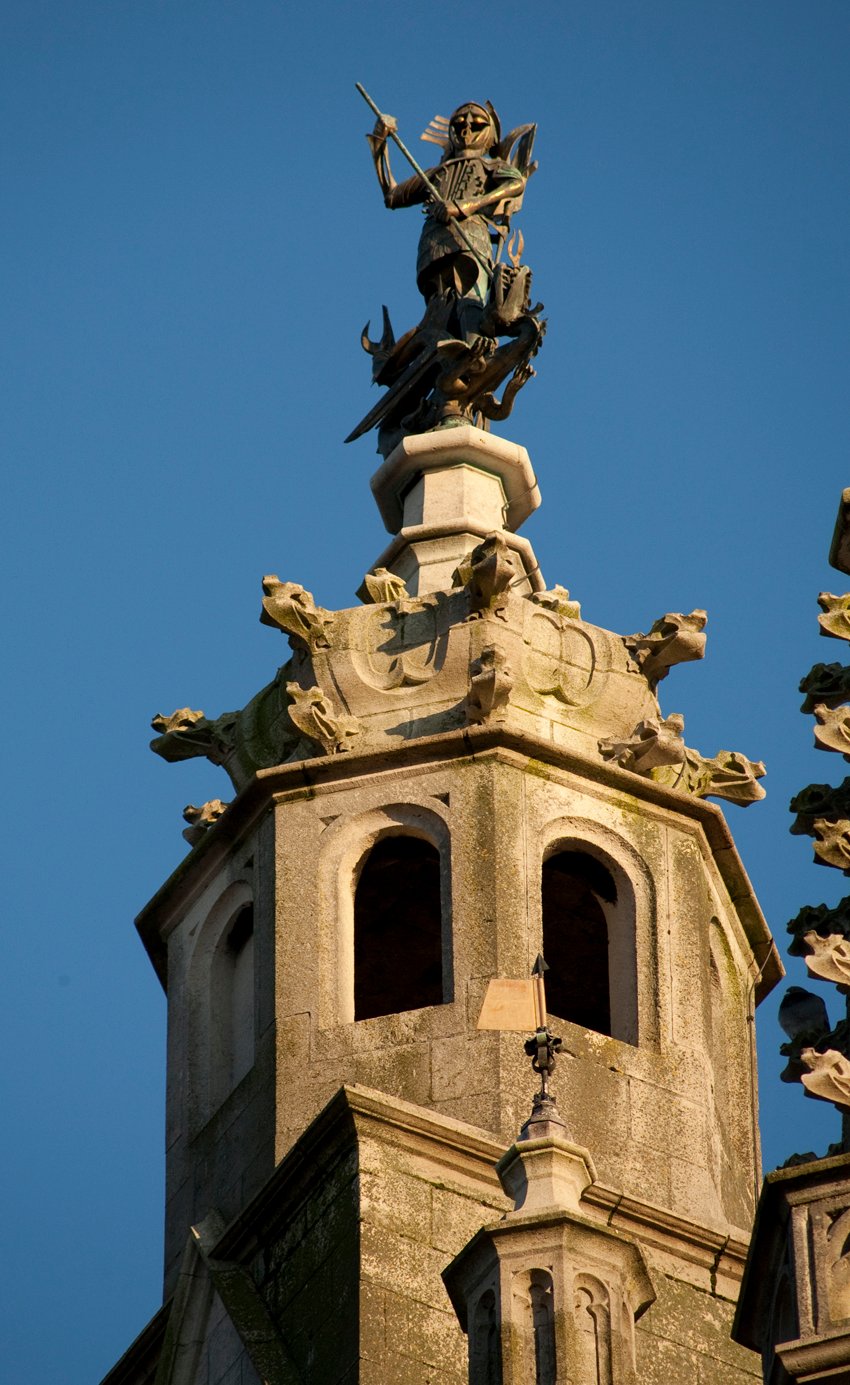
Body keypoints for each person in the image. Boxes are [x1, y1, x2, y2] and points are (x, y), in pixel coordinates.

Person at [368, 102, 526, 318]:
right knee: (438, 313)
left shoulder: (491, 166)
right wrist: (380, 142)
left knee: (471, 307)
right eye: (460, 123)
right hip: (433, 246)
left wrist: (469, 205)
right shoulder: (436, 173)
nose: (467, 130)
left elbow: (516, 183)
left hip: (471, 241)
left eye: (477, 125)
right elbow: (393, 196)